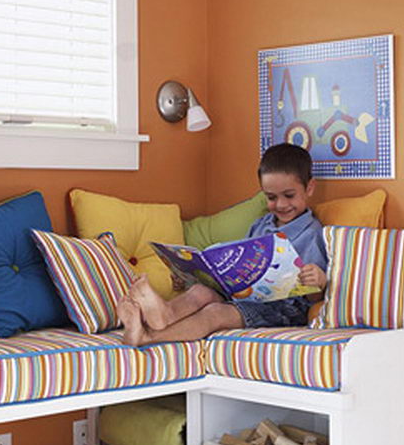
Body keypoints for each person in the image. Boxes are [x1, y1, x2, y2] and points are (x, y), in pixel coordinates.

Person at [118, 143, 328, 346]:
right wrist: (190, 276)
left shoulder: (311, 233)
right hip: (245, 298)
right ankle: (164, 314)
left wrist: (318, 280)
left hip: (282, 311)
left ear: (309, 188)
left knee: (215, 313)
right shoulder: (260, 225)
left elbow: (314, 297)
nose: (281, 204)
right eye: (271, 197)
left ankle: (147, 336)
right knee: (200, 291)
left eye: (289, 195)